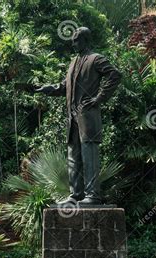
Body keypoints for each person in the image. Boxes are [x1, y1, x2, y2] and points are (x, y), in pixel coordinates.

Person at [36, 27, 121, 205]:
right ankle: (76, 194)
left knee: (89, 156)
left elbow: (115, 75)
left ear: (85, 40)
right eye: (73, 40)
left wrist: (99, 98)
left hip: (88, 118)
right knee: (73, 156)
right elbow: (64, 86)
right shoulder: (73, 62)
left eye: (76, 40)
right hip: (72, 118)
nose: (73, 44)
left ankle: (92, 195)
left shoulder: (96, 59)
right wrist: (48, 89)